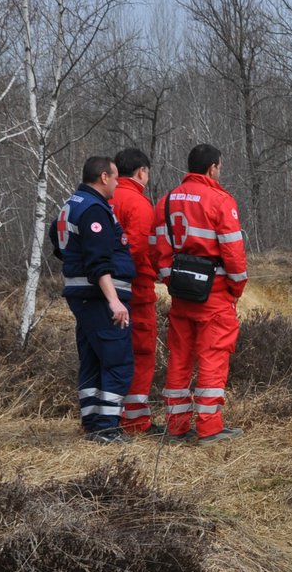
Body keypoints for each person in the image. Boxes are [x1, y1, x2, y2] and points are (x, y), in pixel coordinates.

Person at [153, 143, 247, 444]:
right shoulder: (220, 200)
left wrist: (172, 282)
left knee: (179, 357)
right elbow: (233, 251)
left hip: (182, 293)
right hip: (215, 293)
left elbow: (160, 249)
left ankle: (176, 426)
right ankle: (209, 427)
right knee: (213, 357)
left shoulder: (165, 201)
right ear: (212, 168)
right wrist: (237, 286)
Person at [52, 156, 135, 443]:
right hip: (98, 298)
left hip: (83, 297)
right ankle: (107, 428)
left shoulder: (71, 205)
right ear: (103, 177)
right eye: (115, 178)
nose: (117, 184)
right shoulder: (93, 210)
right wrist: (114, 300)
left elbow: (59, 243)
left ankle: (92, 422)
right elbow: (98, 261)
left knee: (92, 359)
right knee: (117, 360)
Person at [112, 147, 163, 436]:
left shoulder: (102, 198)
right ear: (141, 172)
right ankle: (134, 420)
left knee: (110, 354)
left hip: (103, 291)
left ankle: (107, 416)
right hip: (136, 291)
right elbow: (140, 249)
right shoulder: (138, 203)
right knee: (141, 354)